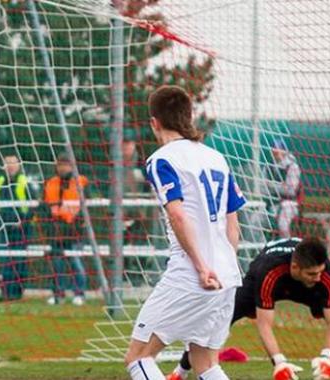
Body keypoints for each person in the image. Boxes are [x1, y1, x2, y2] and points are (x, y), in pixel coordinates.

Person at [167, 237, 330, 380]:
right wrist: (279, 363)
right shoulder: (269, 272)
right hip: (259, 278)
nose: (318, 277)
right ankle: (179, 374)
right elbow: (265, 324)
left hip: (300, 283)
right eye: (312, 273)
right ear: (296, 268)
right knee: (219, 322)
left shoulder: (325, 274)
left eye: (321, 272)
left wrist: (327, 357)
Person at [124, 85, 245, 380]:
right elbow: (233, 225)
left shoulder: (162, 159)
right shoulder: (217, 158)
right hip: (227, 276)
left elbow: (177, 215)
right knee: (205, 363)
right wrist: (221, 266)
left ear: (155, 122)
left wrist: (203, 268)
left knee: (138, 358)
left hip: (192, 275)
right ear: (188, 117)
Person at [42, 153, 89, 305]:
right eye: (60, 165)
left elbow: (89, 203)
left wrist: (83, 221)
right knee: (57, 264)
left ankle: (79, 294)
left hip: (75, 229)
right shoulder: (51, 183)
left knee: (76, 261)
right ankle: (58, 294)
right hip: (57, 230)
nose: (63, 168)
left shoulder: (81, 182)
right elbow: (44, 205)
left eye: (66, 164)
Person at [0, 154, 34, 301]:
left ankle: (17, 292)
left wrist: (22, 221)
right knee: (6, 259)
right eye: (7, 163)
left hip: (21, 228)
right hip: (4, 227)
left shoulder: (24, 181)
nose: (10, 166)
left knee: (19, 260)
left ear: (19, 165)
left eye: (13, 163)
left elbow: (33, 205)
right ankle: (6, 293)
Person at [271, 139, 301, 238]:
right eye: (274, 151)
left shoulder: (292, 166)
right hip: (272, 202)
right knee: (255, 220)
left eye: (278, 150)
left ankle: (286, 247)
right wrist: (279, 186)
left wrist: (272, 186)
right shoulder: (270, 166)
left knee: (282, 225)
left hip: (290, 203)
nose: (276, 153)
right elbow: (261, 186)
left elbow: (291, 190)